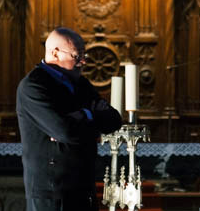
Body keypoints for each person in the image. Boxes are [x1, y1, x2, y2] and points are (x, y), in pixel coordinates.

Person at [17, 27, 122, 211]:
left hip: (84, 188)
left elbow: (114, 120)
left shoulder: (81, 84)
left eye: (84, 55)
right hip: (52, 193)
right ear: (55, 53)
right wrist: (90, 115)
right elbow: (64, 130)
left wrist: (81, 118)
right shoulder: (33, 86)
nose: (83, 62)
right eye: (77, 56)